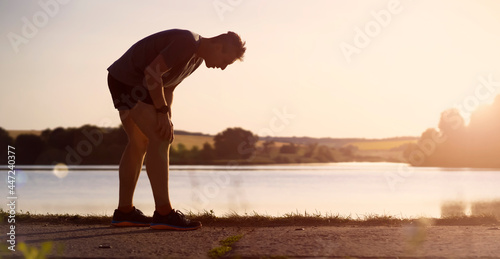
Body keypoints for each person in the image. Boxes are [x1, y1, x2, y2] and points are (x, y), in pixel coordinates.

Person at [106, 29, 246, 230]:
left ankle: (124, 212)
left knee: (140, 142)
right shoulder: (187, 43)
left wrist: (167, 117)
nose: (223, 67)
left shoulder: (196, 59)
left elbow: (168, 87)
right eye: (226, 61)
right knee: (159, 139)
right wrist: (161, 113)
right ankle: (164, 213)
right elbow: (153, 72)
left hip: (127, 81)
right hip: (130, 82)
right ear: (218, 46)